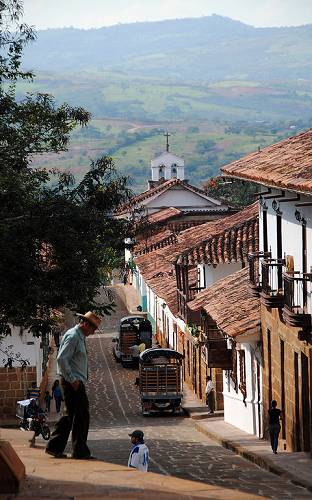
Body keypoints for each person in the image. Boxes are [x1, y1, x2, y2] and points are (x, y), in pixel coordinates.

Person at [45, 311, 101, 459]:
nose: (94, 332)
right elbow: (62, 359)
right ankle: (66, 448)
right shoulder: (74, 336)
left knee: (78, 416)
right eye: (93, 328)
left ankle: (67, 448)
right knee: (75, 415)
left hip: (76, 381)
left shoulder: (80, 336)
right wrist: (73, 380)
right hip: (72, 382)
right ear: (85, 324)